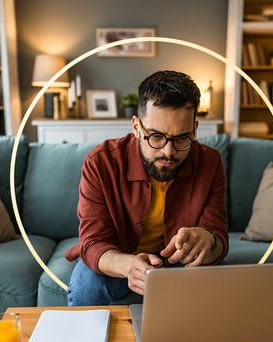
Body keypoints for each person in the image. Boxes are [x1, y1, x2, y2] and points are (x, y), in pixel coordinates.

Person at [66, 70, 228, 306]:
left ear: (194, 129)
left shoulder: (210, 162)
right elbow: (92, 242)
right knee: (86, 285)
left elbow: (219, 239)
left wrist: (207, 240)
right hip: (120, 259)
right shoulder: (100, 162)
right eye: (156, 136)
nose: (168, 152)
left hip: (179, 262)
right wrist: (129, 266)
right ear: (136, 126)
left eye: (182, 138)